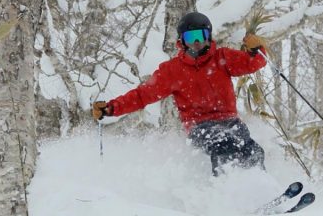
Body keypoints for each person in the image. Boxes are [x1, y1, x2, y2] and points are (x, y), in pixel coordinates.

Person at [92, 11, 268, 175]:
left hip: (230, 121)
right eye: (190, 37)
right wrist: (111, 108)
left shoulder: (222, 58)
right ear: (182, 41)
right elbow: (142, 95)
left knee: (253, 151)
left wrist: (257, 49)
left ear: (208, 37)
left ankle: (259, 189)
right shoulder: (173, 71)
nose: (196, 42)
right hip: (200, 125)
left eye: (201, 36)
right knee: (223, 143)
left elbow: (253, 63)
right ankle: (225, 191)